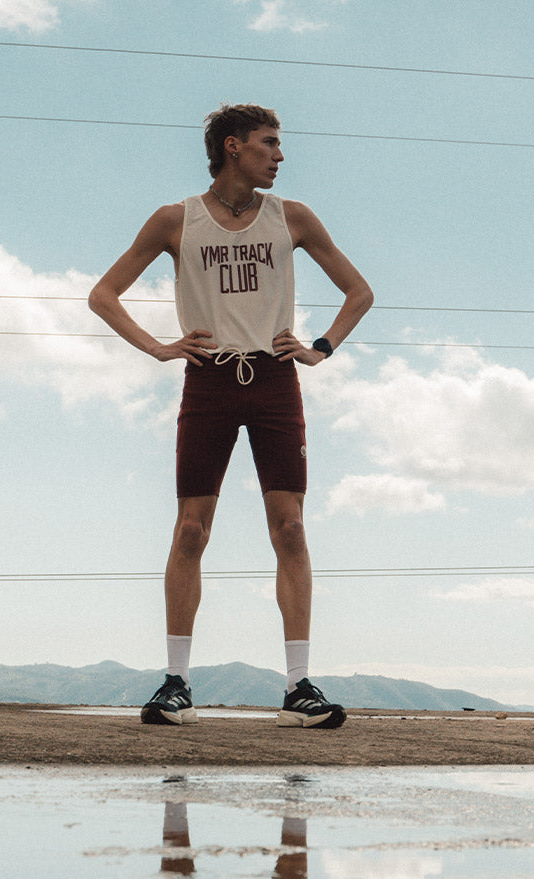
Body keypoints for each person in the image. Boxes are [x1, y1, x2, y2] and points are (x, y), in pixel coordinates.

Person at [89, 103, 372, 729]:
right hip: (209, 381)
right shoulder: (174, 221)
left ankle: (299, 686)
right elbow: (103, 295)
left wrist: (320, 348)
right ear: (233, 145)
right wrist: (161, 347)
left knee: (290, 528)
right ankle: (176, 684)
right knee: (191, 529)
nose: (280, 154)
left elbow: (360, 292)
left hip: (274, 380)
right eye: (270, 143)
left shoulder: (292, 218)